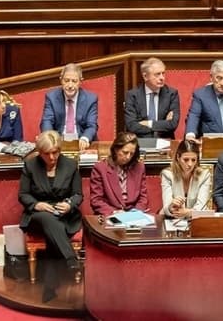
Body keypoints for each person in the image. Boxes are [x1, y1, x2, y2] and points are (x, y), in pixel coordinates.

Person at [18, 130, 83, 303]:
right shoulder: (30, 165)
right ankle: (71, 259)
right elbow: (23, 195)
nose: (52, 157)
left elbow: (78, 195)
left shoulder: (70, 165)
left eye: (55, 152)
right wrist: (36, 204)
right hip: (38, 215)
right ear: (40, 152)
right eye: (47, 154)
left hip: (64, 215)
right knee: (48, 219)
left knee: (54, 228)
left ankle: (50, 286)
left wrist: (69, 205)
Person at [39, 63, 98, 151]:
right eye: (66, 81)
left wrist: (85, 138)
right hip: (58, 144)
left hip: (82, 144)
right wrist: (50, 139)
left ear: (80, 81)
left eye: (74, 81)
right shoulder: (51, 97)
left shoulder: (91, 99)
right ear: (61, 80)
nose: (70, 85)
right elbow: (47, 121)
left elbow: (92, 125)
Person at [89, 132, 149, 216]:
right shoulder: (101, 168)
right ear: (116, 149)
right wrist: (114, 212)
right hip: (111, 214)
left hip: (134, 214)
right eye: (125, 152)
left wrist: (137, 211)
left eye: (132, 153)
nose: (128, 157)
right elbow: (96, 200)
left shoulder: (139, 167)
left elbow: (143, 197)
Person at [124, 57, 180, 139]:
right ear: (145, 76)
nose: (162, 78)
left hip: (164, 141)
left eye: (163, 73)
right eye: (157, 74)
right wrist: (162, 124)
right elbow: (131, 126)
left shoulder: (171, 94)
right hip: (140, 141)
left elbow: (172, 124)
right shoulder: (132, 95)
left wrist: (148, 123)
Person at [161, 140, 212, 218]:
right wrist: (171, 207)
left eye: (193, 160)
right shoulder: (167, 175)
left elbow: (201, 207)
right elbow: (166, 207)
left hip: (196, 219)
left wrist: (187, 213)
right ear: (178, 157)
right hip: (174, 218)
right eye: (186, 160)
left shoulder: (204, 175)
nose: (190, 164)